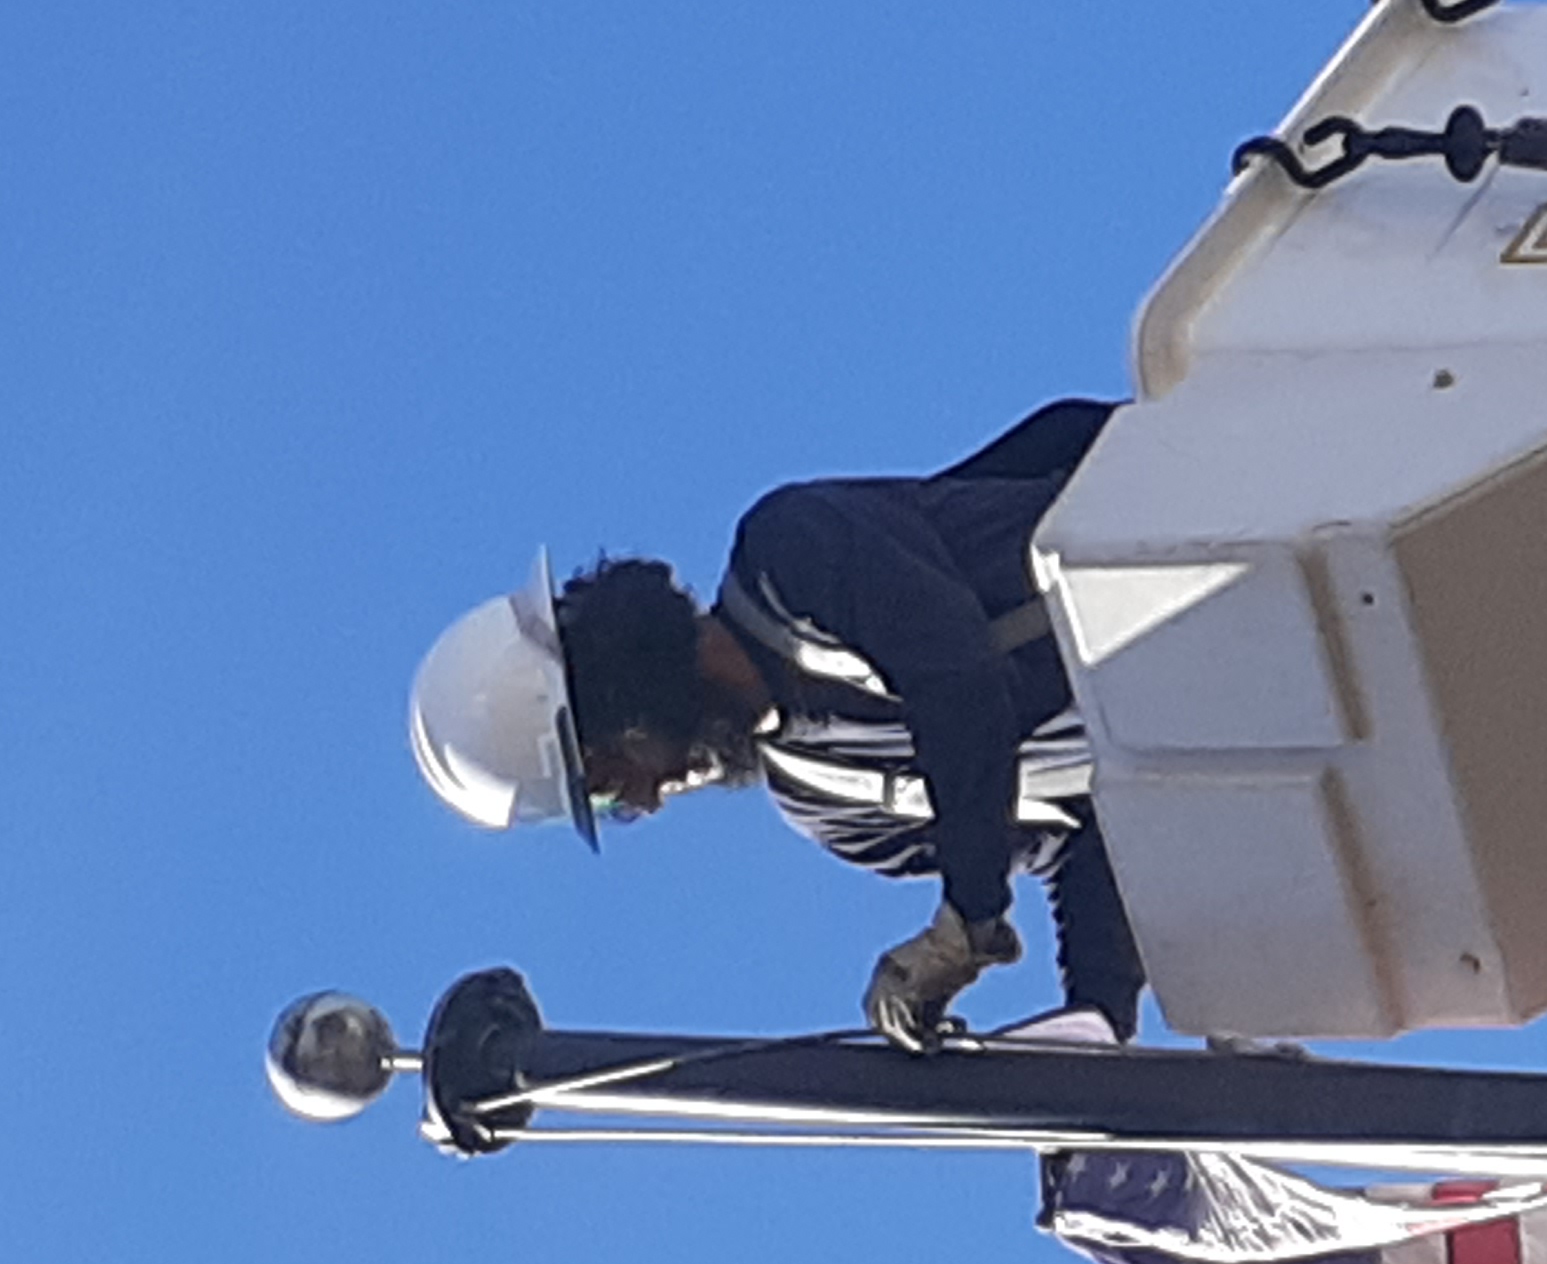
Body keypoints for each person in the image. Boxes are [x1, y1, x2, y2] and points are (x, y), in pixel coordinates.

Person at [406, 399, 1142, 1051]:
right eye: (607, 806)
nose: (645, 799)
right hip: (1205, 725)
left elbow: (961, 684)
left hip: (1194, 574)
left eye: (605, 781)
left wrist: (968, 915)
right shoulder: (833, 810)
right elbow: (1087, 834)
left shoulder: (791, 557)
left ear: (616, 690)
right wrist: (1094, 1020)